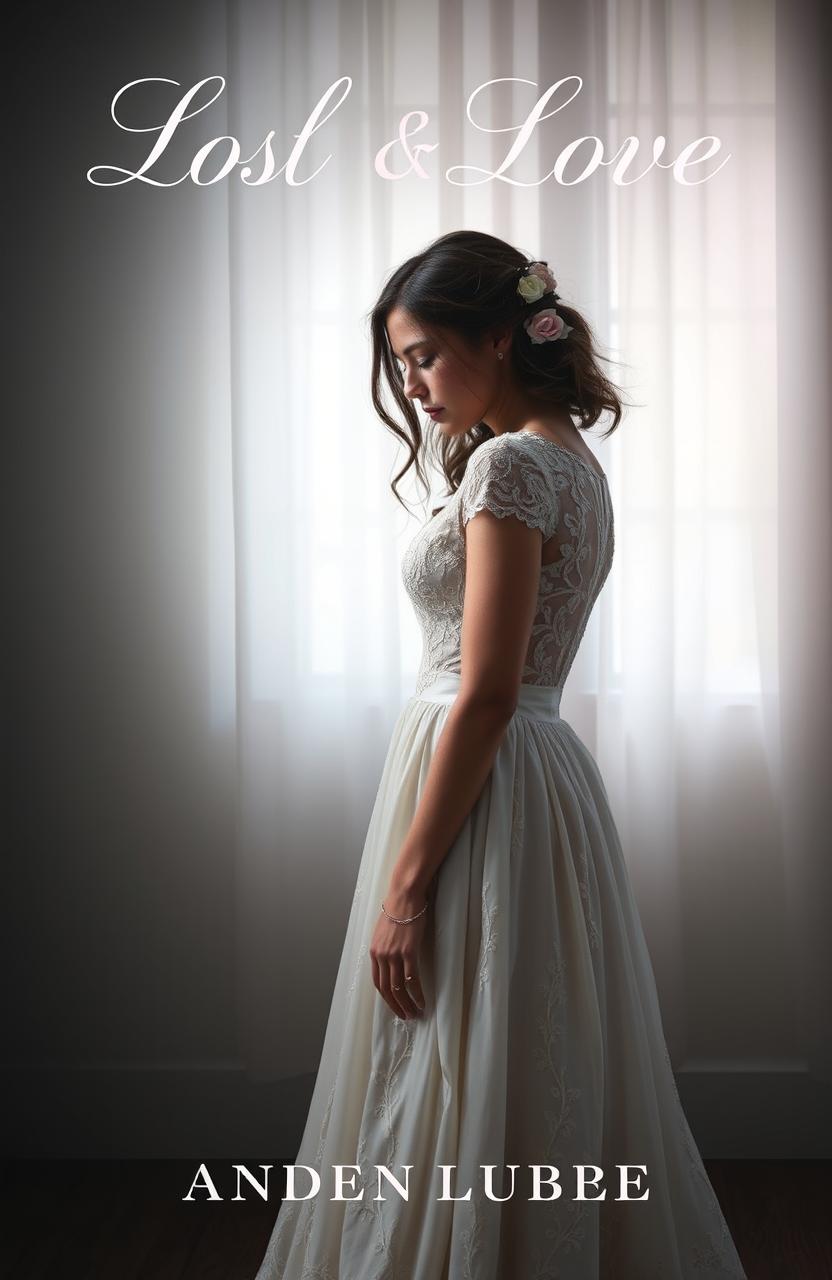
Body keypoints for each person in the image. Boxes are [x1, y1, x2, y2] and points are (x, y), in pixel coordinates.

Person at [253, 230, 747, 1278]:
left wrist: (403, 883)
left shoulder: (513, 464)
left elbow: (483, 690)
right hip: (533, 772)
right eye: (400, 362)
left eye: (424, 353)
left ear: (496, 334)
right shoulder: (571, 459)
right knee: (514, 1044)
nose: (411, 382)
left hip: (486, 772)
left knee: (456, 1040)